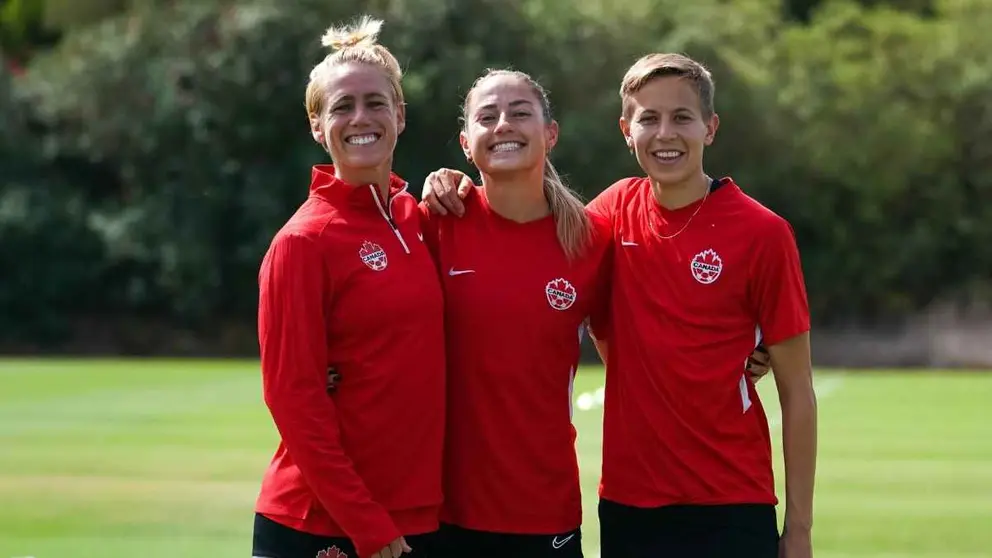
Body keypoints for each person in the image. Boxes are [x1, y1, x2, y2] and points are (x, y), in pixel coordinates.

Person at [421, 53, 814, 558]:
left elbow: (798, 392)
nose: (665, 133)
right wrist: (448, 179)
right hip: (629, 505)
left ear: (710, 128)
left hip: (732, 501)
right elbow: (547, 261)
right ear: (627, 131)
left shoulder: (763, 233)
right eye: (649, 118)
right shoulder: (610, 216)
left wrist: (799, 530)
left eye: (682, 117)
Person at [253, 16, 444, 558]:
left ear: (400, 115)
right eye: (342, 107)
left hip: (419, 516)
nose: (361, 118)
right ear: (318, 126)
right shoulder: (303, 241)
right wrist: (366, 522)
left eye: (375, 103)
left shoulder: (417, 219)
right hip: (326, 525)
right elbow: (293, 398)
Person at [419, 68, 612, 558]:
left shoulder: (592, 241)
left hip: (545, 511)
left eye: (520, 113)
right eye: (487, 117)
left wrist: (746, 355)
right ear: (466, 143)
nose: (503, 124)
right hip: (439, 513)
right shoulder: (432, 225)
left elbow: (645, 342)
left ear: (551, 133)